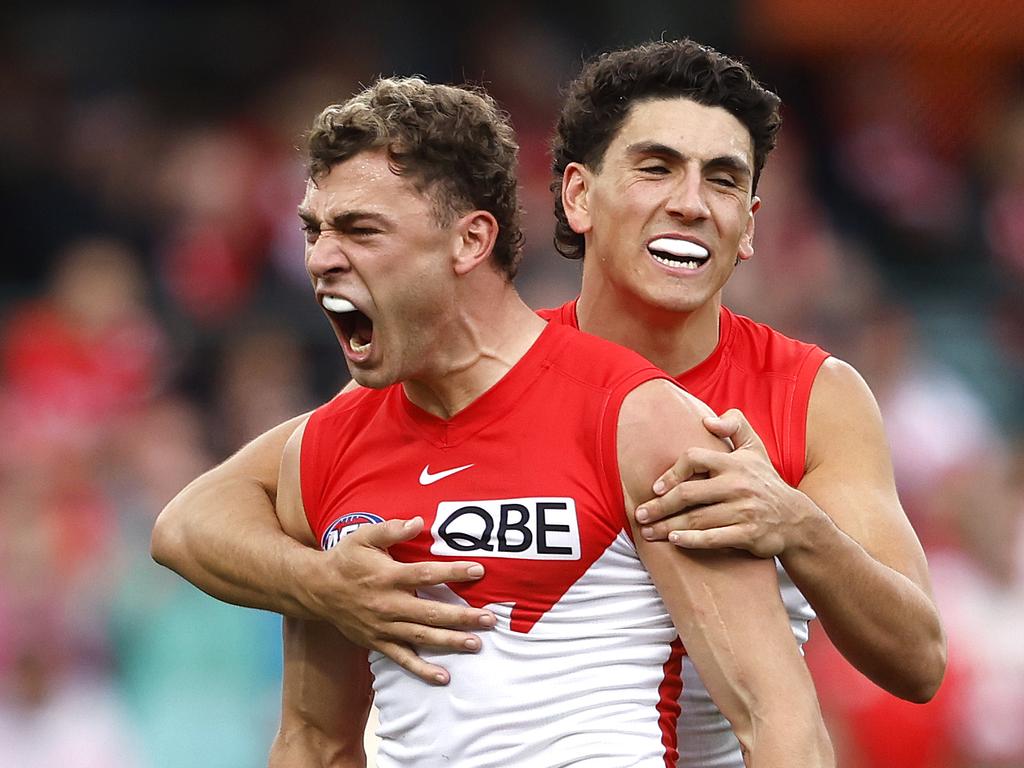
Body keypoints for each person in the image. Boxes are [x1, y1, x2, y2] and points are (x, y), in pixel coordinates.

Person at [152, 39, 945, 766]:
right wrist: (321, 583)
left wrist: (801, 528)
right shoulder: (475, 372)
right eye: (657, 168)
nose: (692, 203)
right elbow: (197, 522)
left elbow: (913, 664)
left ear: (748, 226)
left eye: (725, 180)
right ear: (577, 197)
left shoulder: (805, 396)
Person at [258, 76, 832, 766]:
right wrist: (313, 580)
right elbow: (313, 742)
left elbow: (777, 715)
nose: (320, 258)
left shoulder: (641, 420)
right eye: (314, 230)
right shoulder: (322, 446)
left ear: (470, 241)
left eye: (360, 230)